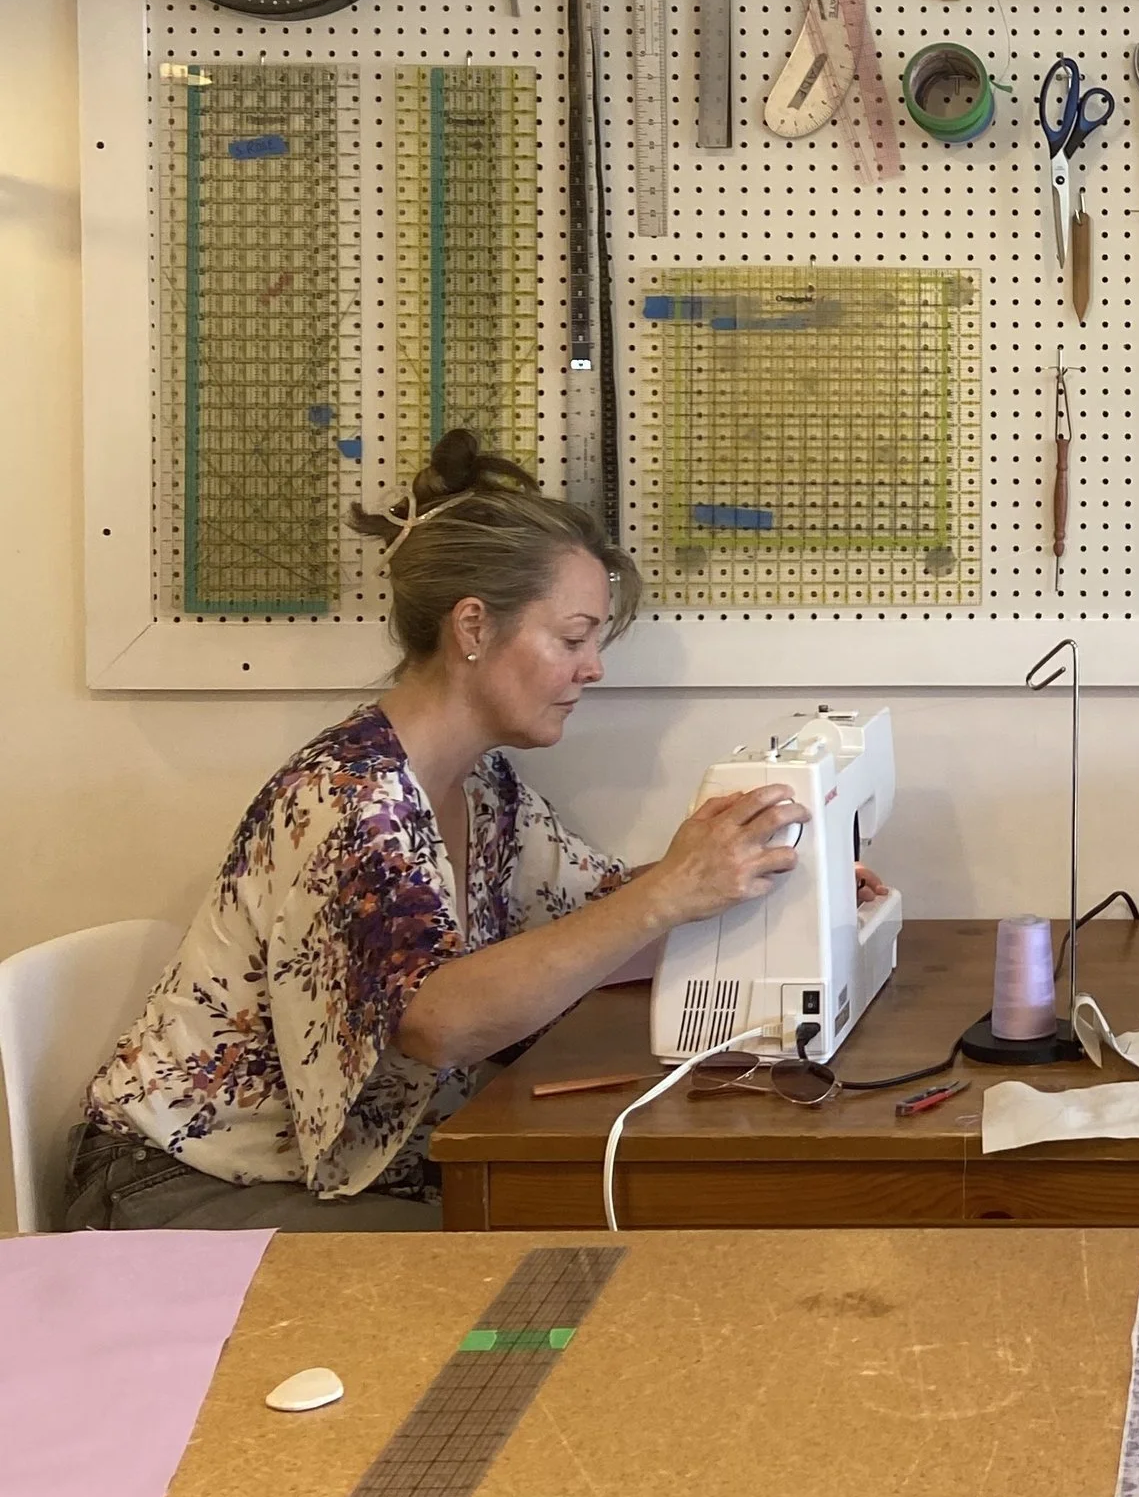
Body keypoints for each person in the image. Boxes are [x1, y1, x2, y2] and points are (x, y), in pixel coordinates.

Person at [69, 433, 837, 1231]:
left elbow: (601, 912)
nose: (593, 668)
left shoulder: (482, 786)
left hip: (325, 1176)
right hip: (178, 1187)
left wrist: (768, 878)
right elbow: (439, 1019)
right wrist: (672, 892)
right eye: (573, 638)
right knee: (543, 1267)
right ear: (473, 626)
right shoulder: (347, 800)